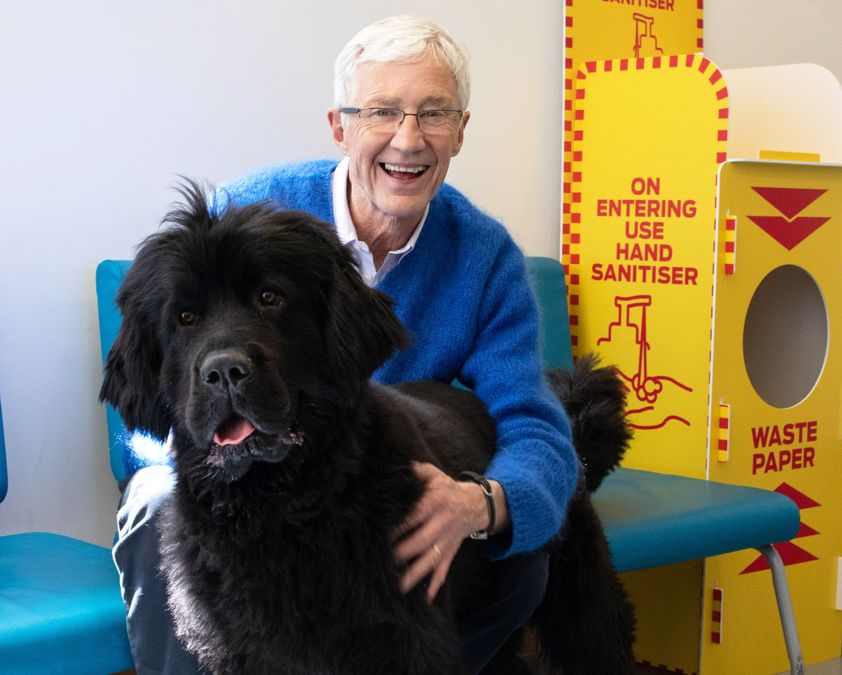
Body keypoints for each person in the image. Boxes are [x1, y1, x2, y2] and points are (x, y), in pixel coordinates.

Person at [113, 15, 578, 674]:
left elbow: (533, 423)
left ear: (461, 131)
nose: (407, 139)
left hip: (358, 470)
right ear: (340, 126)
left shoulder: (484, 258)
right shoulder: (245, 213)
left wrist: (480, 503)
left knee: (517, 558)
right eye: (382, 111)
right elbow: (148, 387)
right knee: (162, 511)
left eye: (433, 114)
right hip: (215, 478)